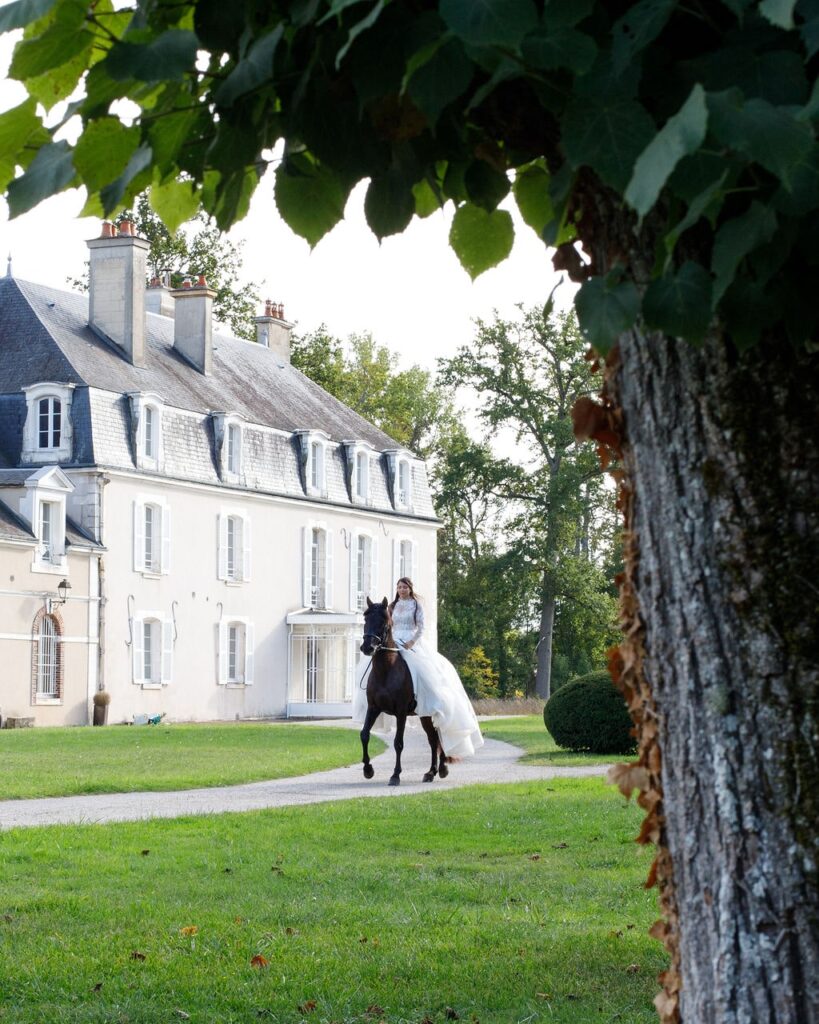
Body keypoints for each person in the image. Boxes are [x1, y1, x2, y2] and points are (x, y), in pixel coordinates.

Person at [353, 577, 484, 759]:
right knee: (371, 668)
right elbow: (385, 626)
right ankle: (372, 702)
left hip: (412, 642)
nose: (402, 589)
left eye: (404, 587)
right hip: (393, 641)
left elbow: (421, 627)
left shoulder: (416, 606)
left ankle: (425, 699)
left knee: (420, 669)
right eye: (399, 587)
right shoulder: (391, 606)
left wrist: (411, 642)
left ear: (410, 589)